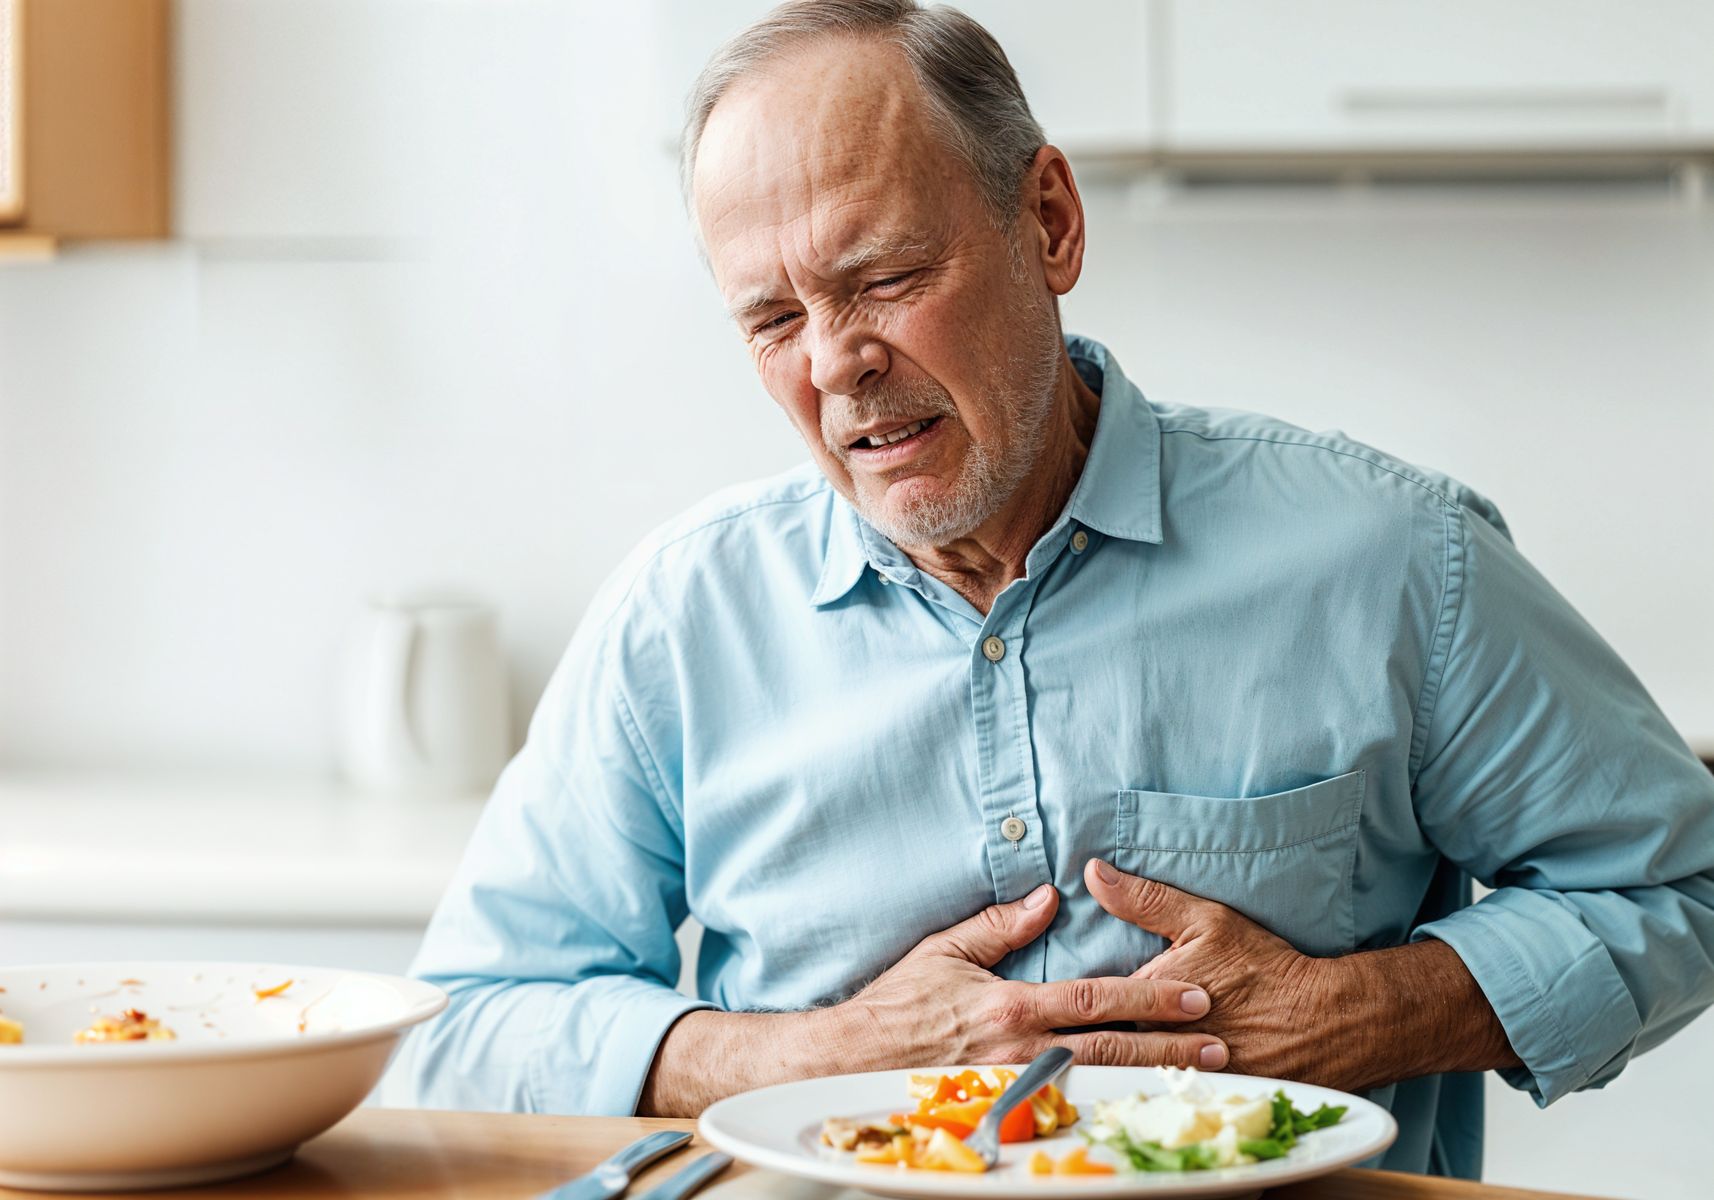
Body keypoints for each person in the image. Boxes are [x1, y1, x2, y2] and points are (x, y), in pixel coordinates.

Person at [397, 0, 1714, 1180]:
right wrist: (810, 1056)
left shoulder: (1392, 559)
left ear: (1049, 222)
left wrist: (1357, 1013)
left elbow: (1677, 889)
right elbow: (469, 1026)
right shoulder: (682, 620)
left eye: (884, 279)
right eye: (773, 320)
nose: (837, 364)